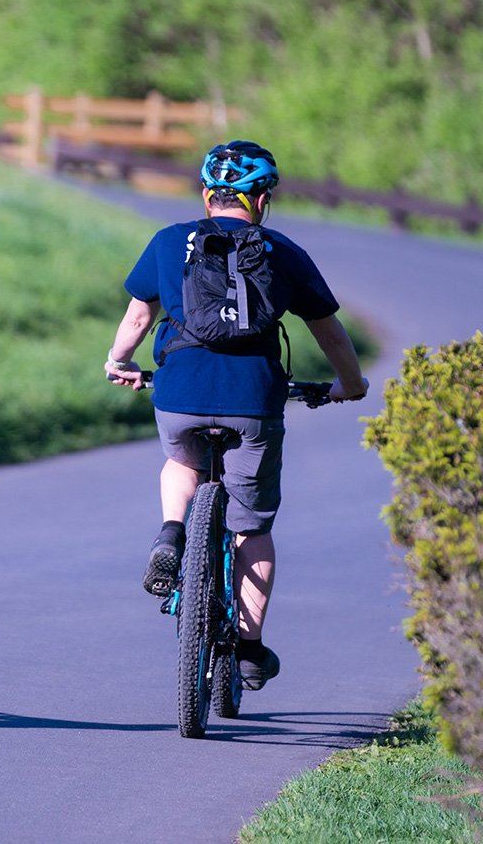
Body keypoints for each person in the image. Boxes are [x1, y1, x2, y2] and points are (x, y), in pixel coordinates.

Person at [103, 141, 367, 691]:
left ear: (206, 194)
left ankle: (172, 532)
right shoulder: (284, 251)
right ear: (262, 199)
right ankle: (248, 650)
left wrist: (118, 360)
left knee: (182, 459)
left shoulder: (171, 242)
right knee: (252, 526)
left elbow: (137, 315)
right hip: (255, 399)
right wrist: (352, 384)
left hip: (180, 391)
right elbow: (329, 331)